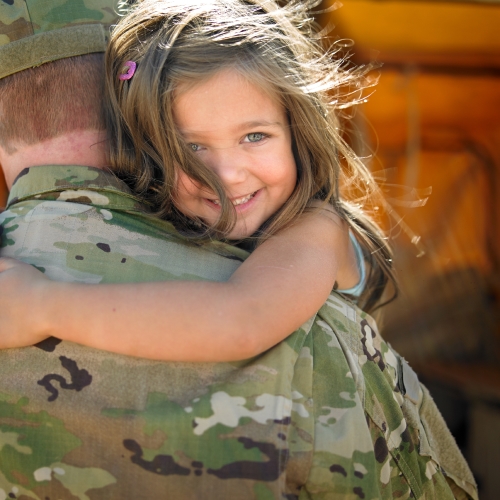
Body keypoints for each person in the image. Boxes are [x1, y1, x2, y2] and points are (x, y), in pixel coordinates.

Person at [0, 0, 477, 499]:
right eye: (191, 148)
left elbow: (240, 319)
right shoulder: (180, 213)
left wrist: (42, 304)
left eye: (255, 136)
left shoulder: (315, 228)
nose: (227, 175)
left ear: (298, 131)